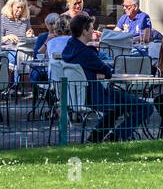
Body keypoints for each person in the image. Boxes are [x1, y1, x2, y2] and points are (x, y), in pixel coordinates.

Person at [61, 12, 153, 141]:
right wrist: (96, 73)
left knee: (117, 108)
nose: (93, 31)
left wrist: (93, 74)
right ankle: (117, 136)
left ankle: (97, 137)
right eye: (91, 29)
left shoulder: (68, 49)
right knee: (146, 107)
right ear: (84, 32)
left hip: (80, 94)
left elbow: (93, 70)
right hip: (96, 94)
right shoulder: (86, 52)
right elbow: (108, 72)